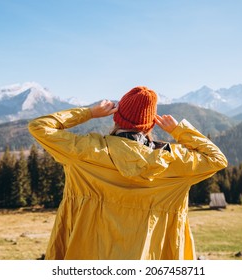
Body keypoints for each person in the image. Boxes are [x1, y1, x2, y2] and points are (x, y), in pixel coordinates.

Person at [28, 86, 227, 260]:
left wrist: (89, 112)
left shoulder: (86, 152)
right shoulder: (173, 163)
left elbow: (39, 126)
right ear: (150, 125)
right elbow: (217, 159)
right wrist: (178, 130)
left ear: (116, 117)